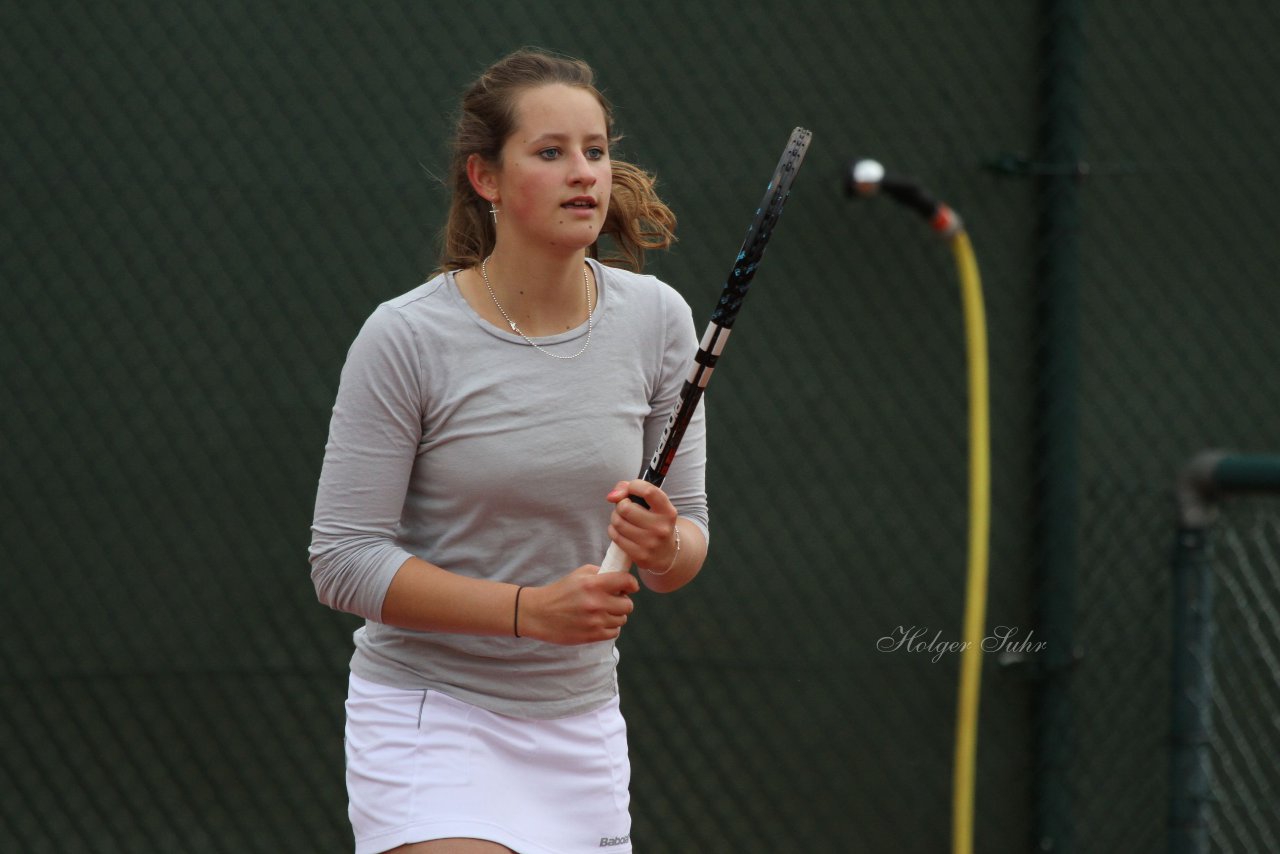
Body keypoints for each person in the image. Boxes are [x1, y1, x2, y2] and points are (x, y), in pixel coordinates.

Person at [309, 47, 709, 854]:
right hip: (430, 711)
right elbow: (343, 560)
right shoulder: (405, 337)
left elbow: (684, 547)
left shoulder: (659, 320)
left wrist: (663, 543)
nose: (585, 174)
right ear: (484, 178)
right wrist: (528, 614)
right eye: (551, 152)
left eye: (596, 151)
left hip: (580, 724)